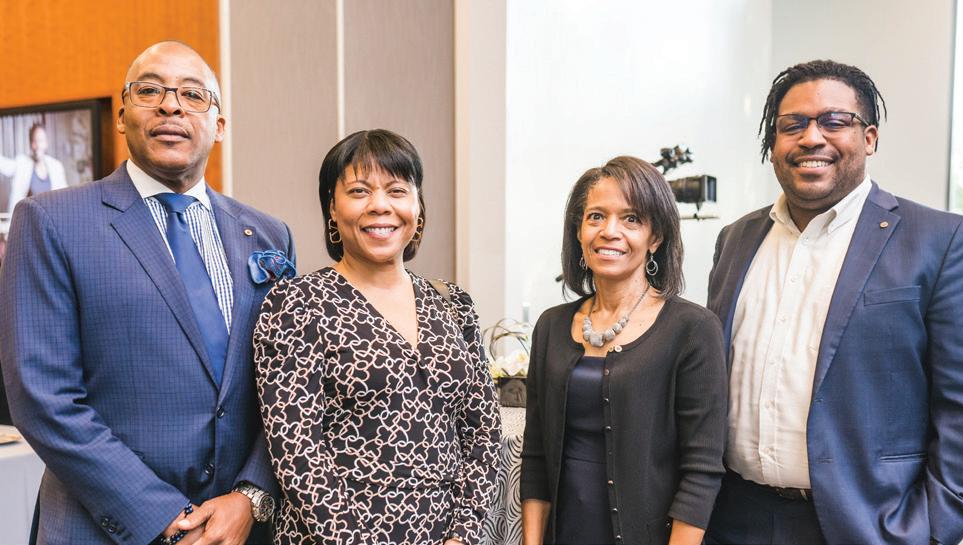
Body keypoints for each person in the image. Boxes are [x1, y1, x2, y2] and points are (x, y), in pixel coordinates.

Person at [705, 59, 963, 545]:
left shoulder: (939, 240)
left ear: (868, 138)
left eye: (834, 121)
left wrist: (927, 529)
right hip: (731, 519)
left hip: (865, 524)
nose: (811, 137)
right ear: (773, 144)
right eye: (792, 125)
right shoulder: (736, 240)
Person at [0, 41, 294, 545]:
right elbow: (43, 396)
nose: (171, 106)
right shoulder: (51, 221)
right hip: (101, 529)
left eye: (193, 95)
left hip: (239, 530)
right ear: (121, 116)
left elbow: (288, 390)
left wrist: (250, 496)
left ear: (220, 126)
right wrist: (163, 515)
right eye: (150, 90)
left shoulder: (268, 235)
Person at [253, 129, 501, 545]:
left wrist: (462, 535)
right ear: (332, 209)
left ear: (418, 207)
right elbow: (297, 451)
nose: (380, 205)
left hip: (445, 536)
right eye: (359, 191)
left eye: (397, 190)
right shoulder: (297, 304)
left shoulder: (453, 303)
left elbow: (483, 433)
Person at [520, 156, 728, 545]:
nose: (609, 231)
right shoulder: (551, 326)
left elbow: (701, 472)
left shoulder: (693, 329)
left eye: (631, 219)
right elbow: (535, 457)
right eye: (596, 217)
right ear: (579, 232)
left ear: (656, 237)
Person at [0, 123, 69, 212]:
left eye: (40, 140)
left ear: (46, 143)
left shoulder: (56, 167)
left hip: (51, 218)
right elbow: (4, 165)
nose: (37, 145)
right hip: (27, 219)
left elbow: (65, 197)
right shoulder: (22, 164)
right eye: (34, 141)